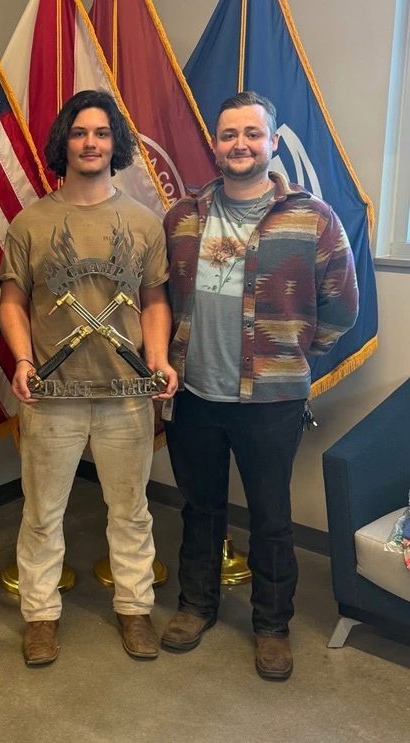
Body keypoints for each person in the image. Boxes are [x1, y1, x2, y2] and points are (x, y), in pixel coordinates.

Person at [161, 91, 358, 680]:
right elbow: (166, 303)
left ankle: (272, 626)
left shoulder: (313, 218)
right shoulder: (183, 218)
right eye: (228, 135)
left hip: (271, 401)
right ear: (215, 145)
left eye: (252, 134)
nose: (239, 145)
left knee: (271, 516)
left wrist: (290, 359)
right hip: (195, 395)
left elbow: (342, 310)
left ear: (271, 142)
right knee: (200, 508)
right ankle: (196, 605)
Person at [0, 90, 178, 666]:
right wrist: (24, 360)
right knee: (42, 513)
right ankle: (41, 617)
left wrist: (157, 359)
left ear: (114, 143)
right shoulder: (31, 221)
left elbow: (154, 301)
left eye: (101, 132)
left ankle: (134, 609)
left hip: (126, 395)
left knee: (130, 509)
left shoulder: (144, 222)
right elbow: (13, 301)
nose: (91, 142)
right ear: (65, 142)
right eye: (80, 132)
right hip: (53, 396)